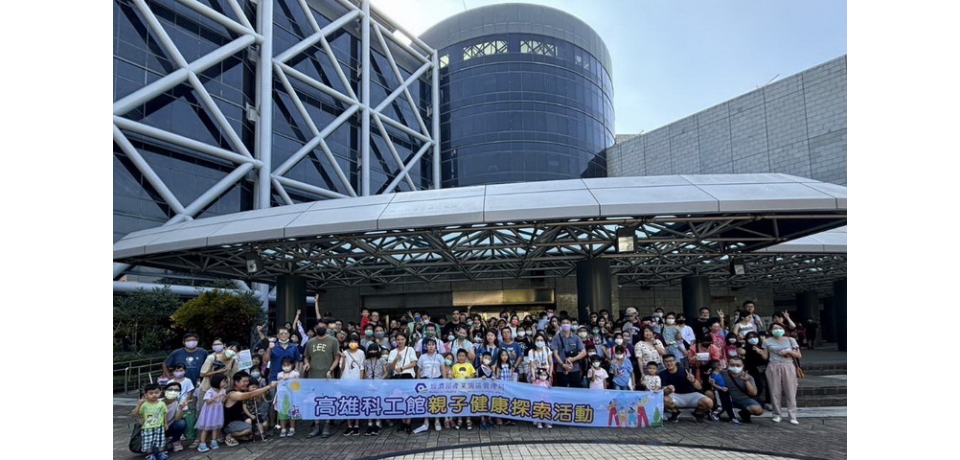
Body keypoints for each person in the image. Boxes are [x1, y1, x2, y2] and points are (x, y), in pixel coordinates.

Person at [759, 323, 802, 424]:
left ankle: (793, 415)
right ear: (770, 330)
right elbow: (765, 357)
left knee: (791, 391)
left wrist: (789, 351)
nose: (778, 330)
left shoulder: (791, 340)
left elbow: (798, 355)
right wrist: (760, 352)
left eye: (780, 328)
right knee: (774, 391)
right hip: (773, 366)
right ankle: (776, 414)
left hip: (788, 366)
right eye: (775, 328)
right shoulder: (767, 341)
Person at [304, 319, 339, 438]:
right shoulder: (310, 342)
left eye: (323, 326)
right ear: (315, 328)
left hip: (327, 376)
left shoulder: (333, 341)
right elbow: (306, 357)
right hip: (313, 376)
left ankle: (327, 425)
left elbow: (337, 358)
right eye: (319, 327)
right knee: (315, 401)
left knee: (328, 400)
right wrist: (307, 363)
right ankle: (317, 425)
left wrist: (330, 370)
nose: (321, 328)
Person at [223, 371, 275, 445]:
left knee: (262, 426)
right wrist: (268, 386)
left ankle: (242, 436)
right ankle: (229, 435)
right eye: (244, 381)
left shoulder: (243, 391)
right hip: (231, 424)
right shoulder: (232, 394)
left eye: (247, 381)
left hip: (244, 420)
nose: (247, 383)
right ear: (236, 382)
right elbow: (251, 394)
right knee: (248, 429)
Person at [660, 354, 713, 423]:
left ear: (675, 361)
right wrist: (668, 389)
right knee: (663, 399)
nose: (668, 363)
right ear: (663, 363)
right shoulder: (662, 374)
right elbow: (663, 391)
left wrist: (693, 381)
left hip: (691, 395)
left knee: (709, 402)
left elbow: (699, 387)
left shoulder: (685, 371)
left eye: (671, 361)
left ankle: (698, 413)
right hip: (675, 396)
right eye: (666, 361)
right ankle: (675, 412)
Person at [718, 356, 764, 424]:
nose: (735, 367)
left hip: (742, 399)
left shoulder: (748, 377)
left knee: (758, 410)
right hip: (725, 399)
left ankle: (744, 413)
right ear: (728, 365)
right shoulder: (722, 373)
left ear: (742, 366)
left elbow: (754, 393)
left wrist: (746, 381)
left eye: (738, 365)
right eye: (732, 365)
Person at [414, 338, 446, 433]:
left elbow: (443, 369)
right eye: (429, 345)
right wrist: (418, 381)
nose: (431, 346)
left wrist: (444, 381)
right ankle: (426, 421)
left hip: (436, 381)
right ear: (426, 347)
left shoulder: (439, 357)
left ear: (436, 346)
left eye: (433, 344)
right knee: (426, 402)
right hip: (425, 381)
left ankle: (437, 421)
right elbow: (419, 370)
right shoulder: (422, 357)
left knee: (435, 401)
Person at [388, 334, 418, 433]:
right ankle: (402, 422)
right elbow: (390, 367)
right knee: (400, 400)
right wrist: (396, 359)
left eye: (402, 339)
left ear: (406, 340)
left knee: (408, 400)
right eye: (398, 339)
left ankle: (408, 423)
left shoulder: (410, 350)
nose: (400, 341)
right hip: (396, 377)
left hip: (408, 375)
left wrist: (402, 368)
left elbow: (414, 363)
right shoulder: (392, 352)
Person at [339, 334, 366, 435]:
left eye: (355, 342)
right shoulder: (344, 353)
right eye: (351, 342)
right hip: (345, 381)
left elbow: (362, 368)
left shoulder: (361, 353)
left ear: (358, 343)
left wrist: (361, 381)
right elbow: (341, 369)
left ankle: (356, 425)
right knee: (347, 404)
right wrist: (344, 358)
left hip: (357, 382)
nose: (353, 344)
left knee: (357, 404)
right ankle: (349, 425)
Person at [195, 373, 227, 452]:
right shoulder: (210, 391)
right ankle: (202, 443)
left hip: (218, 411)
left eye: (226, 382)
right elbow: (208, 402)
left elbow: (222, 401)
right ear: (217, 382)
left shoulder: (223, 390)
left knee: (215, 427)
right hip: (209, 412)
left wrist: (224, 397)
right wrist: (216, 396)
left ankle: (214, 441)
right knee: (206, 428)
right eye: (224, 381)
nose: (225, 383)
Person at [551, 318, 587, 388]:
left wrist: (573, 359)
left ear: (570, 324)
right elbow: (555, 353)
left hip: (575, 368)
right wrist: (563, 365)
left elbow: (584, 352)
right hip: (561, 369)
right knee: (562, 389)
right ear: (560, 324)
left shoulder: (576, 337)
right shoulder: (556, 338)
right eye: (563, 323)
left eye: (567, 323)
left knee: (576, 389)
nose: (565, 324)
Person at [362, 343, 387, 435]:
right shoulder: (366, 361)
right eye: (371, 350)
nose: (373, 351)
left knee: (378, 404)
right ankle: (369, 424)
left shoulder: (381, 360)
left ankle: (377, 423)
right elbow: (365, 372)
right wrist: (365, 381)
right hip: (368, 385)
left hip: (379, 384)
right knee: (369, 403)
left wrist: (380, 380)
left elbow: (386, 372)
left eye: (374, 349)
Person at [451, 348, 476, 430]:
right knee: (459, 404)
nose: (461, 358)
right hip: (458, 389)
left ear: (466, 357)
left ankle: (468, 420)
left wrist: (470, 377)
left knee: (467, 403)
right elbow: (452, 376)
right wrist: (450, 377)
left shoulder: (469, 365)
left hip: (468, 389)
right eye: (459, 356)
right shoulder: (454, 366)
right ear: (457, 356)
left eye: (463, 356)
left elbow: (473, 375)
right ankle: (459, 420)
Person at [274, 357, 300, 437]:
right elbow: (278, 383)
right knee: (282, 413)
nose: (286, 366)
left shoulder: (295, 374)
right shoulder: (279, 374)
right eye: (284, 365)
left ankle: (292, 428)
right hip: (282, 397)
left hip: (292, 396)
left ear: (292, 365)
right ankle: (283, 429)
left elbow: (297, 383)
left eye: (288, 364)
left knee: (292, 412)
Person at [160, 382, 187, 452]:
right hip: (157, 428)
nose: (173, 392)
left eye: (176, 390)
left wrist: (181, 408)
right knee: (162, 450)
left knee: (181, 423)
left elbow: (177, 418)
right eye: (170, 389)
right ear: (164, 390)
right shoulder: (157, 402)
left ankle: (176, 441)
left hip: (170, 427)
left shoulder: (178, 401)